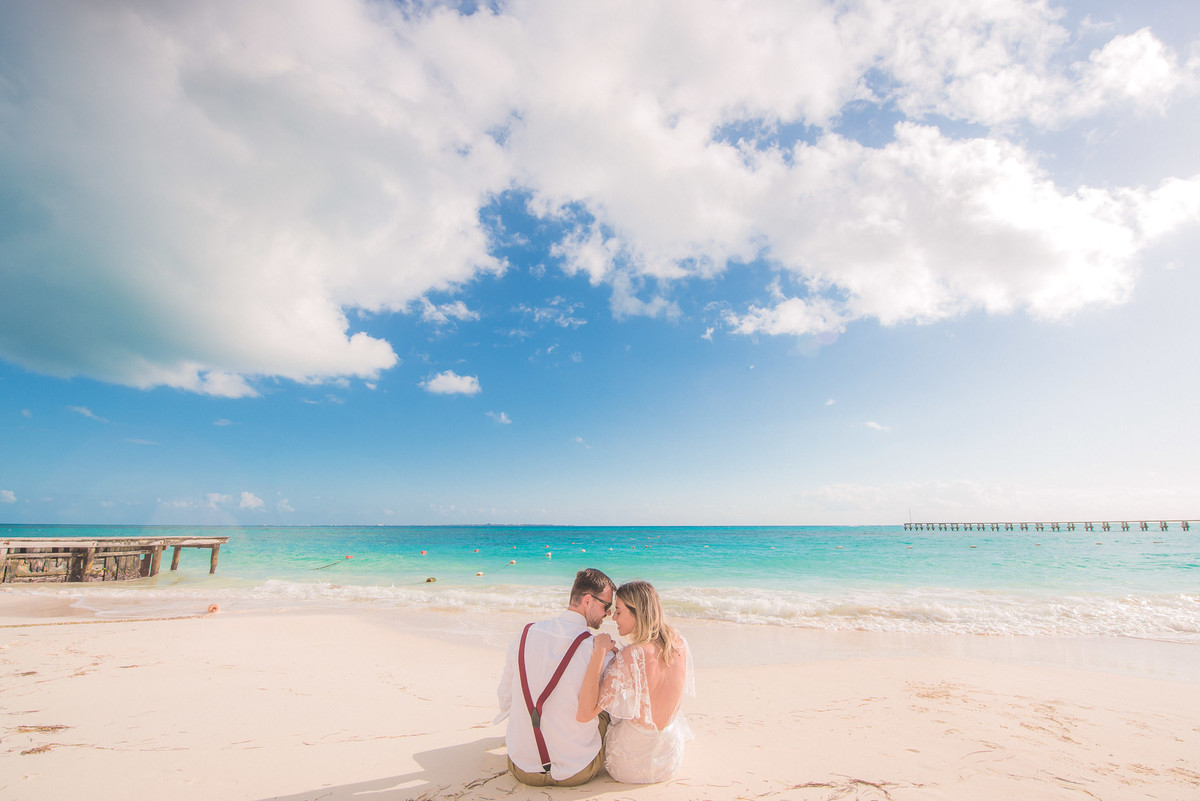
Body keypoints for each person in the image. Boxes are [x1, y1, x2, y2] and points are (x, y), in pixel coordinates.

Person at [496, 567, 616, 786]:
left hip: (522, 768)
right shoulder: (595, 649)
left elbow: (505, 698)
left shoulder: (526, 634)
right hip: (577, 770)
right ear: (587, 600)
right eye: (606, 606)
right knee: (606, 705)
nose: (608, 613)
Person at [577, 579, 694, 783]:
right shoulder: (680, 644)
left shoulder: (632, 655)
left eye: (619, 611)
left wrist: (599, 653)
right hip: (669, 762)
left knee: (604, 710)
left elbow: (585, 714)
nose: (613, 617)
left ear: (637, 613)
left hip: (628, 767)